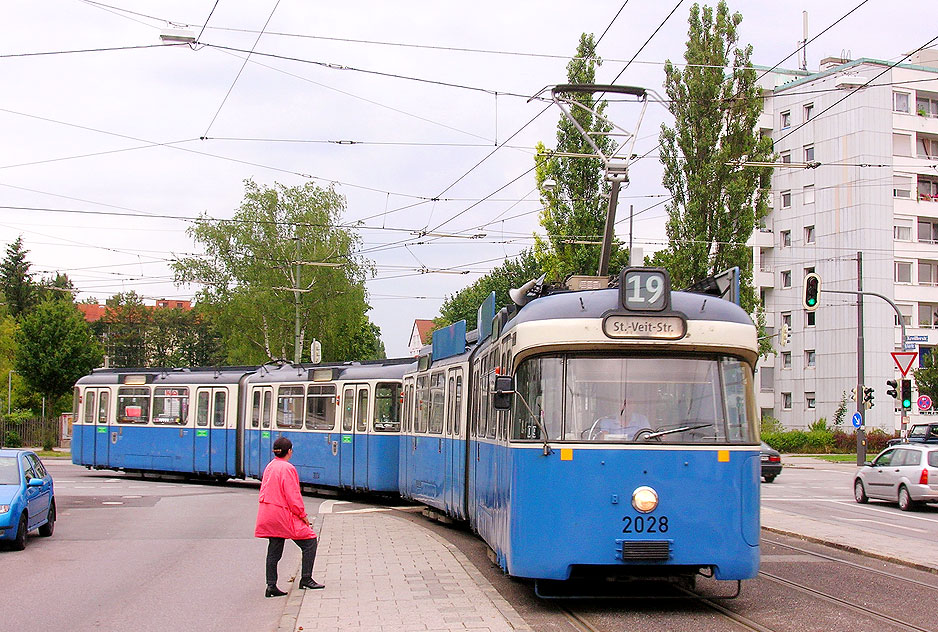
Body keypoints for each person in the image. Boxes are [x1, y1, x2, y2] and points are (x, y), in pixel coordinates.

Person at [255, 437, 324, 597]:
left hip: (267, 512)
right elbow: (293, 496)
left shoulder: (270, 466)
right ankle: (306, 579)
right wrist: (303, 516)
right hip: (282, 514)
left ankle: (271, 585)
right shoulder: (287, 468)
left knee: (274, 550)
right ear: (290, 451)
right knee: (309, 541)